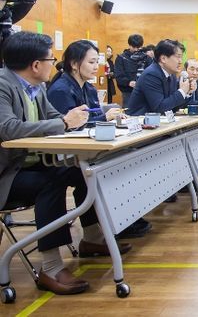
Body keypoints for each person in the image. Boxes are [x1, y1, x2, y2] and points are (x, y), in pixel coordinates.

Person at [0, 32, 131, 295]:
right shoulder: (3, 86)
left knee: (85, 172)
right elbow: (8, 129)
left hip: (31, 164)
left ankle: (92, 238)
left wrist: (73, 119)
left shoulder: (37, 87)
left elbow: (57, 118)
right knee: (52, 181)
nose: (54, 64)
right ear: (35, 65)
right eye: (51, 59)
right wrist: (64, 122)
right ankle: (51, 267)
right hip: (8, 173)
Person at [47, 40, 121, 124]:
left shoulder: (90, 89)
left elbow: (96, 115)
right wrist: (105, 117)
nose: (96, 67)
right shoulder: (60, 90)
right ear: (74, 64)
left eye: (97, 62)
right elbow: (70, 124)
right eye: (91, 62)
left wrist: (113, 117)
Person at [126, 39, 196, 116]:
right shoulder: (151, 74)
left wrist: (187, 92)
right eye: (178, 57)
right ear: (163, 59)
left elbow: (173, 106)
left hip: (159, 120)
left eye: (181, 57)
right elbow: (159, 108)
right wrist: (182, 91)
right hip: (140, 120)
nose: (181, 61)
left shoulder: (171, 74)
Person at [114, 34, 152, 107]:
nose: (136, 49)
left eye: (138, 47)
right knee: (129, 112)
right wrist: (129, 82)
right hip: (128, 93)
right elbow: (118, 76)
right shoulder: (121, 58)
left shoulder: (147, 58)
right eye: (133, 47)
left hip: (145, 92)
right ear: (129, 45)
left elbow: (151, 74)